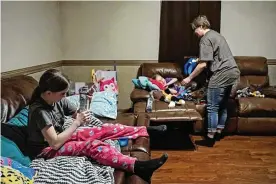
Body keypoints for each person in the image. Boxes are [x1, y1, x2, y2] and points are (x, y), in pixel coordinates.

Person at [27, 69, 168, 182]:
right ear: (48, 93)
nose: (65, 96)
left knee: (104, 129)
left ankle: (144, 130)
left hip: (62, 136)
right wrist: (77, 123)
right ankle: (137, 166)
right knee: (92, 145)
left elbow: (76, 113)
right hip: (46, 149)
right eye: (62, 94)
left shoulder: (57, 100)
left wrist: (85, 107)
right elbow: (55, 143)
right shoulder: (40, 111)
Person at [181, 15, 240, 147]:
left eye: (195, 29)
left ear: (201, 26)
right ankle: (218, 132)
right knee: (222, 105)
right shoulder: (216, 35)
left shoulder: (205, 39)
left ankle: (210, 138)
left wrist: (189, 78)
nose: (195, 33)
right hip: (233, 72)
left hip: (221, 73)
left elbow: (203, 65)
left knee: (212, 106)